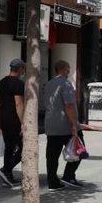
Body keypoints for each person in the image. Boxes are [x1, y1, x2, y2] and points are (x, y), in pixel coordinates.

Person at [43, 60, 85, 190]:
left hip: (50, 125)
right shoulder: (66, 84)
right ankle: (69, 176)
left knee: (52, 155)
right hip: (66, 125)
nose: (69, 72)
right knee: (79, 149)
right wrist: (74, 124)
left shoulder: (49, 84)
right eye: (68, 69)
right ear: (64, 70)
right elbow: (69, 105)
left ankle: (52, 181)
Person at [0, 58, 26, 188]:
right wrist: (23, 123)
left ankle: (7, 176)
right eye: (23, 69)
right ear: (19, 69)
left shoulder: (1, 82)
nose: (24, 71)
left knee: (9, 147)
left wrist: (0, 120)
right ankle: (6, 170)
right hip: (14, 120)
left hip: (4, 118)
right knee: (24, 148)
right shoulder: (18, 84)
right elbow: (18, 103)